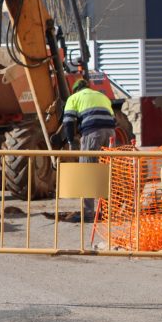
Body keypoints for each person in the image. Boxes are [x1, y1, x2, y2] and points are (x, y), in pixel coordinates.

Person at [62, 78, 116, 222]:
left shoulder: (74, 98)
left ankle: (87, 213)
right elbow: (113, 118)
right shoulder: (102, 96)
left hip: (92, 133)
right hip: (110, 133)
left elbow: (68, 122)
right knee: (106, 171)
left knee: (86, 171)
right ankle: (107, 211)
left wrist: (71, 141)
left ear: (75, 90)